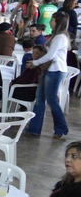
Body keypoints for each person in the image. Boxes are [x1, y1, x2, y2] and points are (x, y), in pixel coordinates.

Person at [25, 11, 70, 139]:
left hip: (56, 71)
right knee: (39, 99)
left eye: (53, 20)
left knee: (51, 100)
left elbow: (51, 55)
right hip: (49, 69)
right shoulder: (55, 36)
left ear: (58, 22)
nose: (50, 22)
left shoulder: (60, 37)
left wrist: (35, 62)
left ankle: (61, 128)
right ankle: (34, 128)